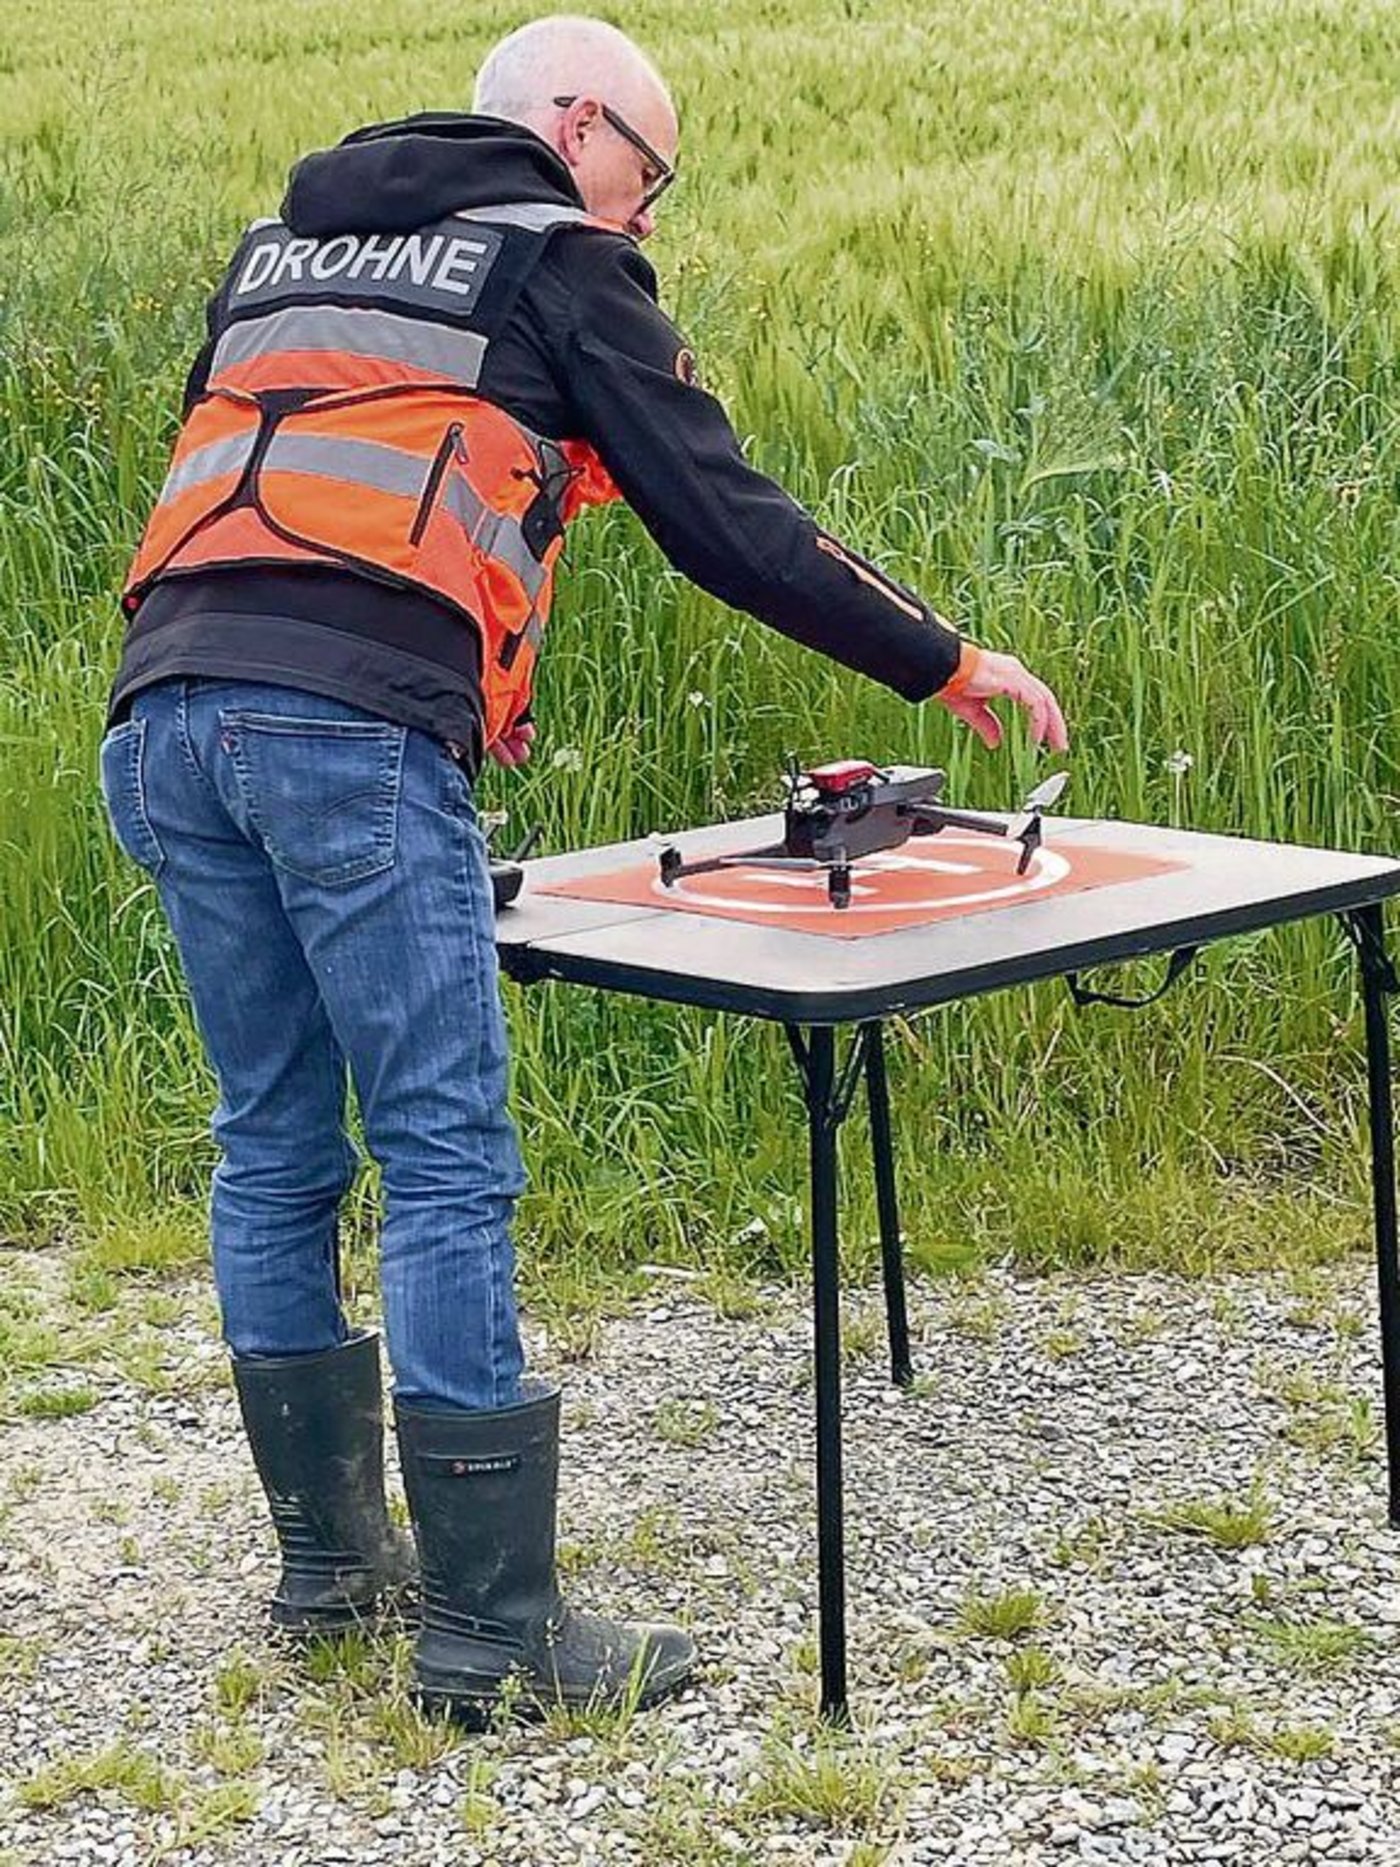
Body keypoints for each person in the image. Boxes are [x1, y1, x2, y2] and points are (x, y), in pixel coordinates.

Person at [100, 14, 1069, 1724]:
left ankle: (332, 1574)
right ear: (574, 124)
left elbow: (320, 473)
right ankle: (490, 1633)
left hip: (167, 713)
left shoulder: (288, 250)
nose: (650, 215)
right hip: (347, 734)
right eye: (652, 173)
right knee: (445, 1153)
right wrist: (942, 660)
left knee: (270, 1138)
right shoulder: (552, 254)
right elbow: (730, 519)